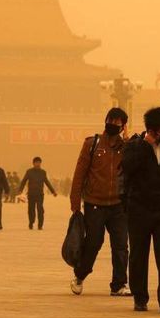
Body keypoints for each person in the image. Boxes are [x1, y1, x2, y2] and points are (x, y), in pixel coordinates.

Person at [122, 107, 160, 314]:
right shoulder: (134, 146)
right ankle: (140, 298)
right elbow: (127, 168)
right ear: (152, 130)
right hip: (139, 210)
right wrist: (144, 147)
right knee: (139, 256)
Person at [69, 107, 131, 297]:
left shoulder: (126, 147)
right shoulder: (92, 144)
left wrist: (128, 142)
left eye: (118, 123)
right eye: (111, 121)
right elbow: (80, 172)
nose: (113, 125)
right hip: (94, 203)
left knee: (121, 245)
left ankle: (119, 284)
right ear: (105, 121)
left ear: (123, 127)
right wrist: (75, 201)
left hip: (118, 205)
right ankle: (80, 275)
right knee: (94, 242)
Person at [18, 157, 57, 230]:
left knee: (40, 209)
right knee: (31, 209)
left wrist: (53, 191)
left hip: (40, 194)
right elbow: (24, 181)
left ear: (40, 163)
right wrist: (20, 190)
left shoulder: (43, 172)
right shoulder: (29, 171)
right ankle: (31, 222)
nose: (37, 164)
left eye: (39, 162)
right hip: (31, 194)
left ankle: (40, 225)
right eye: (36, 162)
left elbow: (47, 182)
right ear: (33, 163)